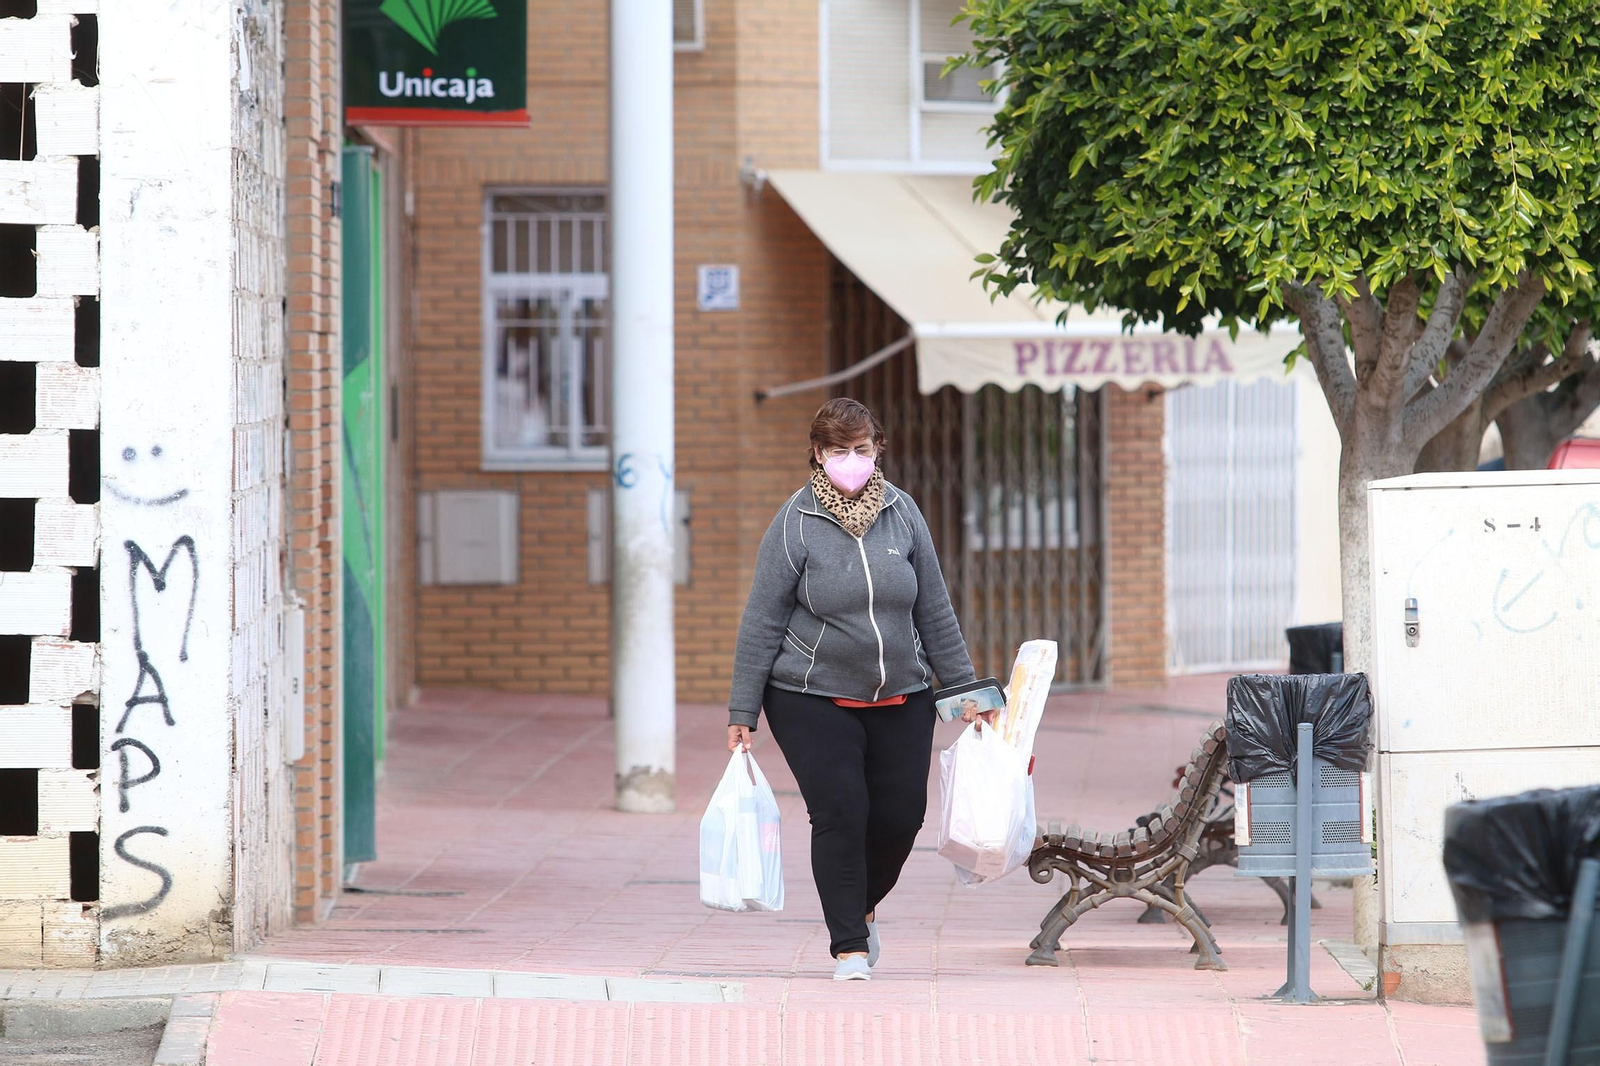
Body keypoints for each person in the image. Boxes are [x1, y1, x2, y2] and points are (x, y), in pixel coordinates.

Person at [726, 397, 979, 981]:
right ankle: (850, 946)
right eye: (838, 450)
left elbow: (934, 610)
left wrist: (965, 690)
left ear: (877, 449)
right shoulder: (795, 522)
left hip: (902, 693)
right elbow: (762, 619)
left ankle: (859, 905)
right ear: (818, 454)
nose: (851, 460)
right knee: (841, 812)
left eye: (861, 449)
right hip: (809, 695)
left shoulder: (903, 513)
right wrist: (744, 706)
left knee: (900, 817)